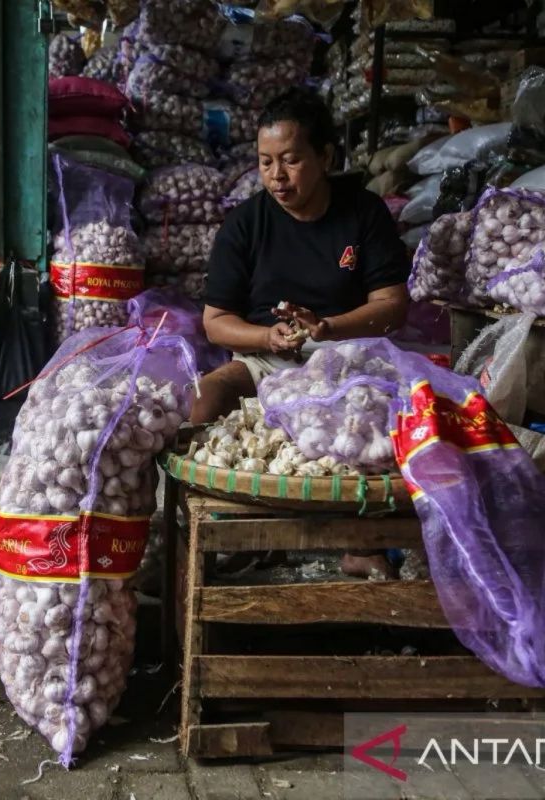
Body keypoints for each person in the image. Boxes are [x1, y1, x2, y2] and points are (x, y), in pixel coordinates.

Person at [193, 86, 411, 577]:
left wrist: (328, 328)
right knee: (204, 401)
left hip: (348, 357)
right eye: (266, 162)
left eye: (290, 160)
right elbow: (215, 322)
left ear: (325, 156)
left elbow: (392, 306)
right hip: (266, 356)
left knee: (372, 428)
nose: (276, 176)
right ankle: (240, 531)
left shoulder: (364, 214)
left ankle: (364, 542)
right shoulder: (245, 225)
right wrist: (267, 337)